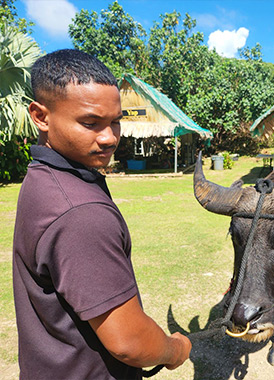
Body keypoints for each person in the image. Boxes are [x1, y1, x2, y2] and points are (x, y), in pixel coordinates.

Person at [12, 49, 191, 379]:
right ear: (40, 116)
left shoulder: (42, 177)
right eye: (90, 123)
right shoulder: (80, 213)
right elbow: (129, 342)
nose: (110, 138)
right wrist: (174, 348)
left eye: (116, 122)